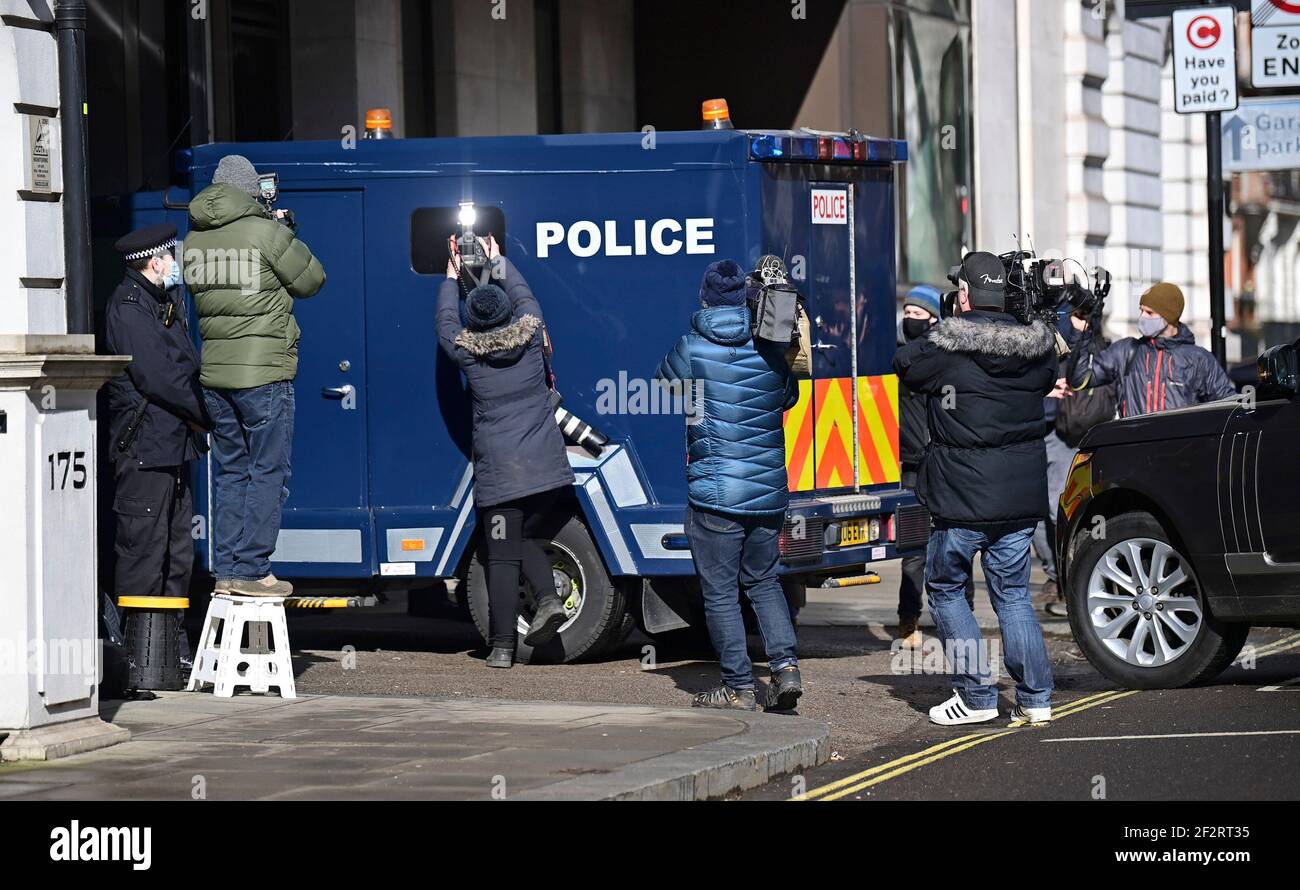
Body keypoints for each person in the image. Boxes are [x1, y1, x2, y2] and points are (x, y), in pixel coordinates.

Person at [893, 251, 1061, 727]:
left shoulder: (947, 347)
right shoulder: (1035, 347)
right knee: (1012, 594)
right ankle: (1036, 697)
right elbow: (1052, 370)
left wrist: (947, 325)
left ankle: (976, 696)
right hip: (1017, 496)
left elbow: (904, 363)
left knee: (946, 587)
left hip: (961, 498)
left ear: (963, 295)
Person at [657, 259, 802, 712]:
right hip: (767, 496)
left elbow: (666, 385)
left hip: (715, 497)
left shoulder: (691, 347)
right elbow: (789, 397)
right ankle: (785, 670)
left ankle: (739, 688)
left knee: (720, 592)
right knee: (763, 582)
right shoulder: (770, 346)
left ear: (704, 299)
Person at [185, 154, 325, 597]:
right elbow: (311, 280)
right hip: (263, 371)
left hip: (216, 376)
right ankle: (252, 571)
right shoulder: (266, 232)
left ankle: (227, 568)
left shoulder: (191, 242)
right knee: (269, 471)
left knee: (231, 472)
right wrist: (281, 230)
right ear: (251, 192)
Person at [436, 237, 576, 669]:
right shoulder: (531, 336)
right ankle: (549, 599)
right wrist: (499, 258)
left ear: (473, 323)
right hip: (546, 470)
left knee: (501, 553)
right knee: (526, 538)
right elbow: (526, 297)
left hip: (502, 475)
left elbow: (444, 324)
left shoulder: (467, 355)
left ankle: (501, 649)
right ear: (508, 313)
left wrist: (448, 278)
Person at [103, 223, 210, 638]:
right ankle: (139, 650)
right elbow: (159, 377)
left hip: (172, 445)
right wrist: (206, 412)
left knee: (176, 553)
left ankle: (167, 647)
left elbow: (186, 364)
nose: (176, 265)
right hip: (146, 446)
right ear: (154, 262)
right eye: (171, 258)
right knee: (143, 551)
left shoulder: (162, 301)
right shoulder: (129, 307)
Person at [895, 285, 974, 648]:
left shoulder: (944, 356)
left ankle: (964, 616)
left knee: (955, 542)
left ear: (932, 318)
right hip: (911, 462)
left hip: (945, 461)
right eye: (906, 313)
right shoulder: (901, 356)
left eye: (917, 314)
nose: (909, 319)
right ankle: (908, 619)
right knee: (914, 549)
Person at [1067, 281, 1235, 417]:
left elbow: (1228, 404)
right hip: (1135, 451)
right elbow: (1079, 378)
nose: (1142, 318)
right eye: (1141, 311)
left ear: (1168, 317)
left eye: (1149, 313)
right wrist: (1081, 332)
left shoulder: (1198, 359)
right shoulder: (1127, 350)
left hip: (1181, 454)